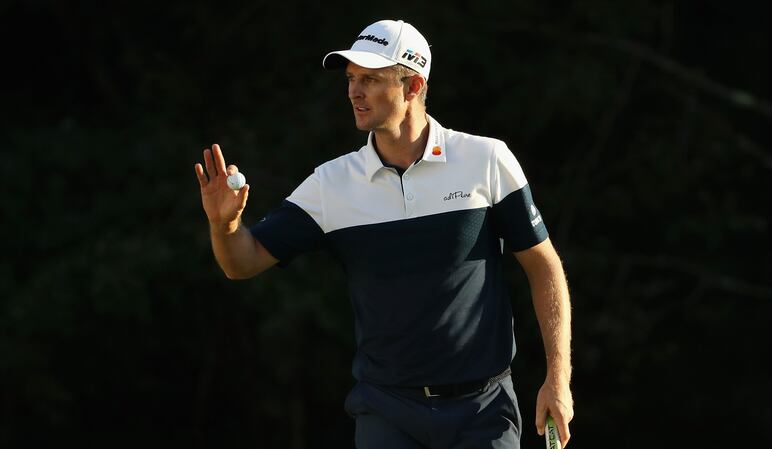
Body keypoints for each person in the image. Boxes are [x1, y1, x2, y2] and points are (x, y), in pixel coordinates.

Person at [194, 19, 573, 449]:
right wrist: (224, 224)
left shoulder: (486, 159)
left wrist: (557, 379)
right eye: (352, 78)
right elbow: (242, 262)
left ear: (413, 86)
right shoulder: (331, 183)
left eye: (371, 79)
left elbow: (543, 266)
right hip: (386, 411)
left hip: (482, 411)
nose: (354, 91)